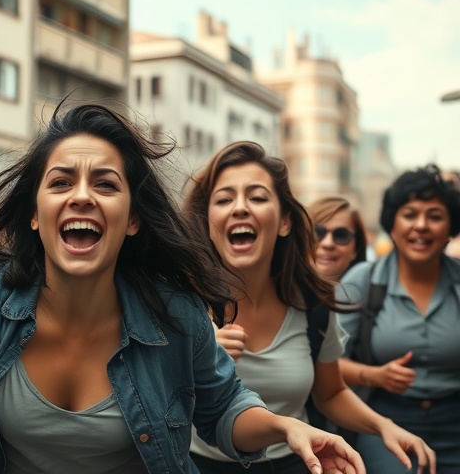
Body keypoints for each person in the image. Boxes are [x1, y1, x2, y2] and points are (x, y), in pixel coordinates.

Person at [0, 104, 366, 474]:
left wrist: (287, 426)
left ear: (132, 218)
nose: (83, 195)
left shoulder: (176, 312)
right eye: (61, 182)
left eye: (106, 184)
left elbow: (225, 408)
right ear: (33, 212)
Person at [182, 141, 434, 473]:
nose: (240, 208)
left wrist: (383, 426)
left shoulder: (313, 304)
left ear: (285, 222)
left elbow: (330, 394)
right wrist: (197, 358)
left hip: (297, 464)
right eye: (224, 199)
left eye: (257, 197)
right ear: (207, 221)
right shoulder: (182, 302)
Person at [338, 164, 460, 473]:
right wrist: (373, 375)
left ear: (450, 228)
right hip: (385, 425)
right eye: (409, 214)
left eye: (434, 216)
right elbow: (327, 364)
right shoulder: (364, 280)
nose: (421, 226)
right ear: (392, 226)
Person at [307, 196, 368, 282]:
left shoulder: (374, 293)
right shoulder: (282, 293)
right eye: (317, 232)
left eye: (341, 235)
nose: (328, 243)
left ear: (356, 248)